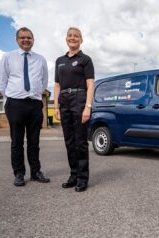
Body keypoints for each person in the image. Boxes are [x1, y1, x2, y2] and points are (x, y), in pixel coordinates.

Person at [0, 27, 50, 186]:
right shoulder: (8, 57)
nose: (26, 40)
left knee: (34, 142)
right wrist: (11, 97)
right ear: (17, 40)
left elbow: (44, 82)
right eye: (22, 37)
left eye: (29, 37)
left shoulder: (40, 59)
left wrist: (35, 95)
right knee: (16, 141)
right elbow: (1, 81)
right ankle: (19, 173)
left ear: (33, 40)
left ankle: (35, 172)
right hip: (15, 103)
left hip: (34, 104)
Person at [54, 27, 94, 192]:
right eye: (70, 35)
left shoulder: (85, 59)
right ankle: (73, 175)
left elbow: (90, 84)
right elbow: (56, 85)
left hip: (79, 100)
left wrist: (87, 107)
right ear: (66, 39)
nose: (73, 38)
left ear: (81, 40)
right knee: (69, 141)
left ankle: (83, 178)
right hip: (64, 100)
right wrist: (56, 106)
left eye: (76, 36)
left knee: (80, 142)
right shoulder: (59, 61)